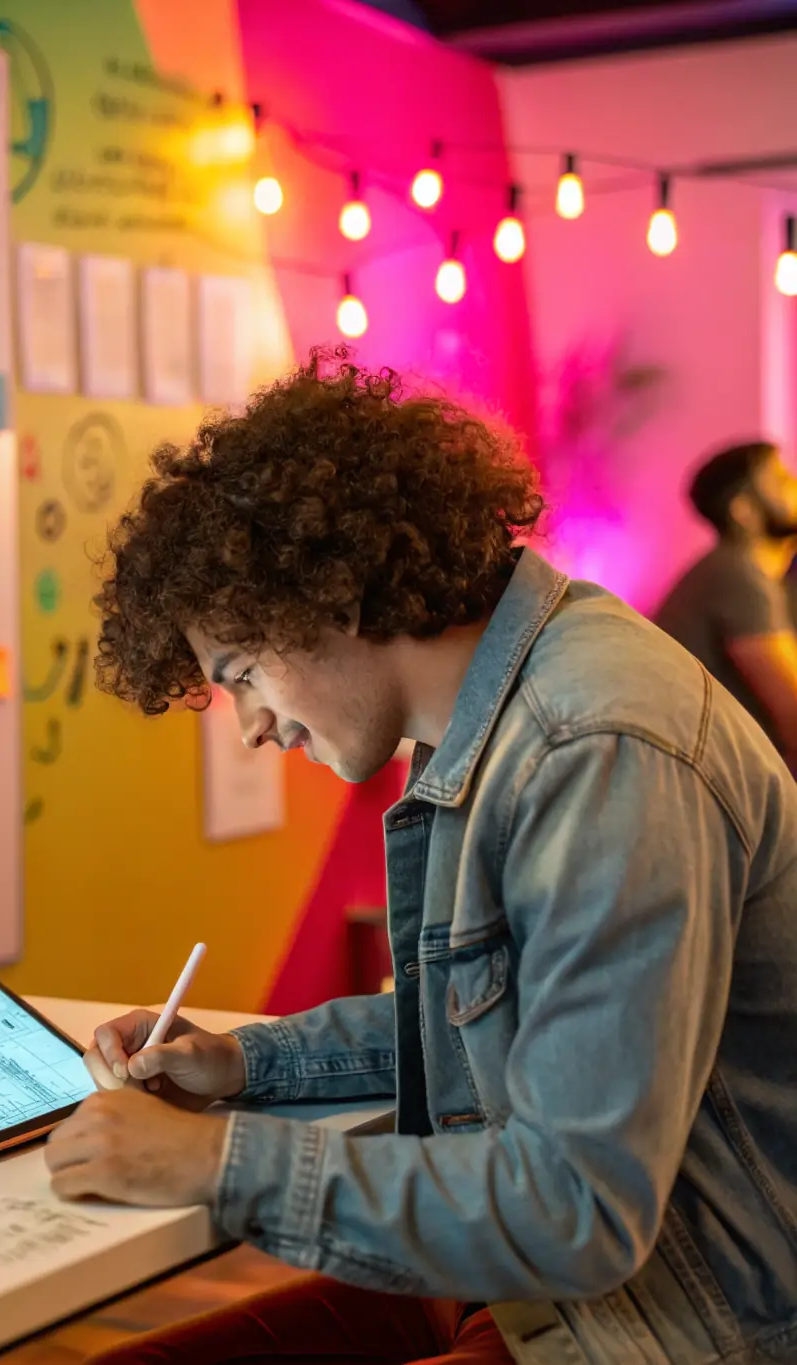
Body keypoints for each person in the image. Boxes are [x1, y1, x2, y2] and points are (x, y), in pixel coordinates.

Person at [45, 353, 797, 1365]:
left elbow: (577, 1210)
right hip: (571, 1308)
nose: (252, 729)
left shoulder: (592, 748)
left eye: (244, 674)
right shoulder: (491, 722)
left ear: (332, 599)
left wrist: (220, 1162)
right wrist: (243, 1065)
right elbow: (489, 1014)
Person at [655, 439, 797, 766]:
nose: (794, 486)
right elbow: (793, 719)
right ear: (743, 511)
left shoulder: (752, 574)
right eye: (781, 481)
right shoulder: (736, 575)